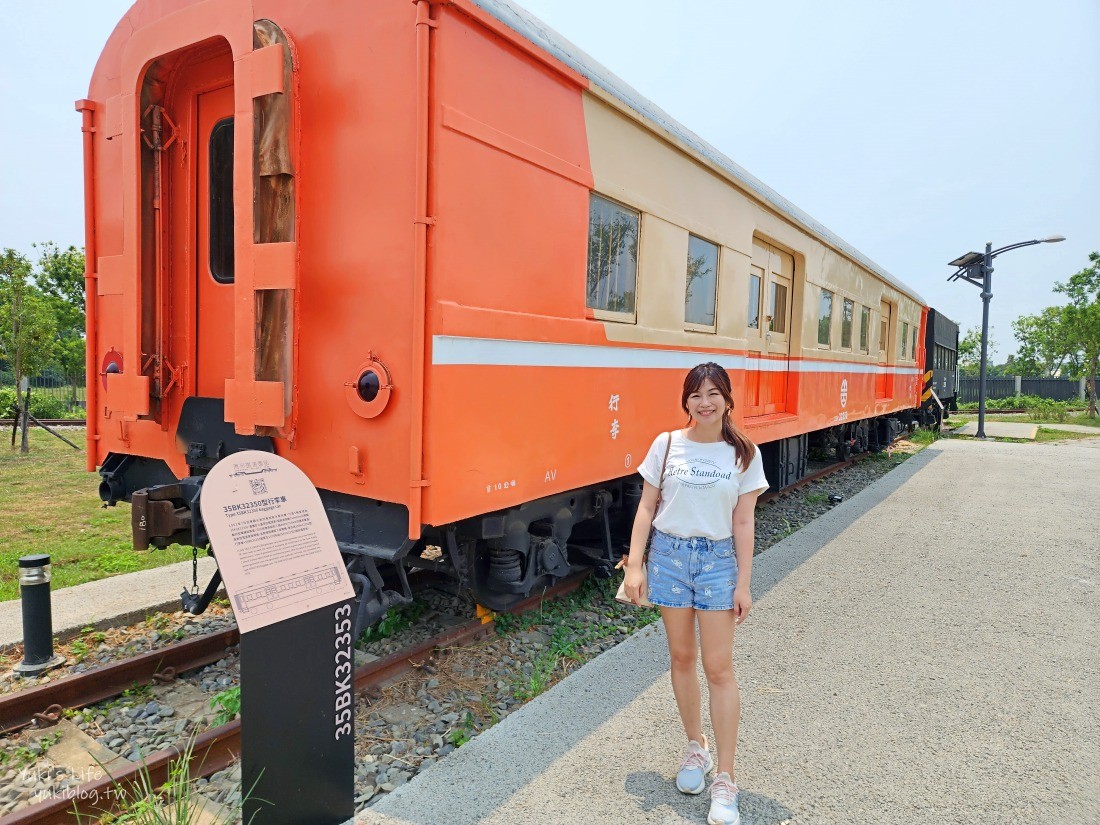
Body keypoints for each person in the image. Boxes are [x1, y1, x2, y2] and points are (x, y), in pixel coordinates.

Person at [623, 362, 769, 825]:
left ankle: (726, 779)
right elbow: (647, 506)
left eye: (713, 393)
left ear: (728, 399)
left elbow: (744, 522)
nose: (704, 402)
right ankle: (696, 748)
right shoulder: (667, 445)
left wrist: (744, 581)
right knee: (682, 658)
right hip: (668, 557)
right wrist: (635, 564)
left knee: (719, 667)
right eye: (695, 395)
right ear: (685, 401)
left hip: (717, 562)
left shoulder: (744, 453)